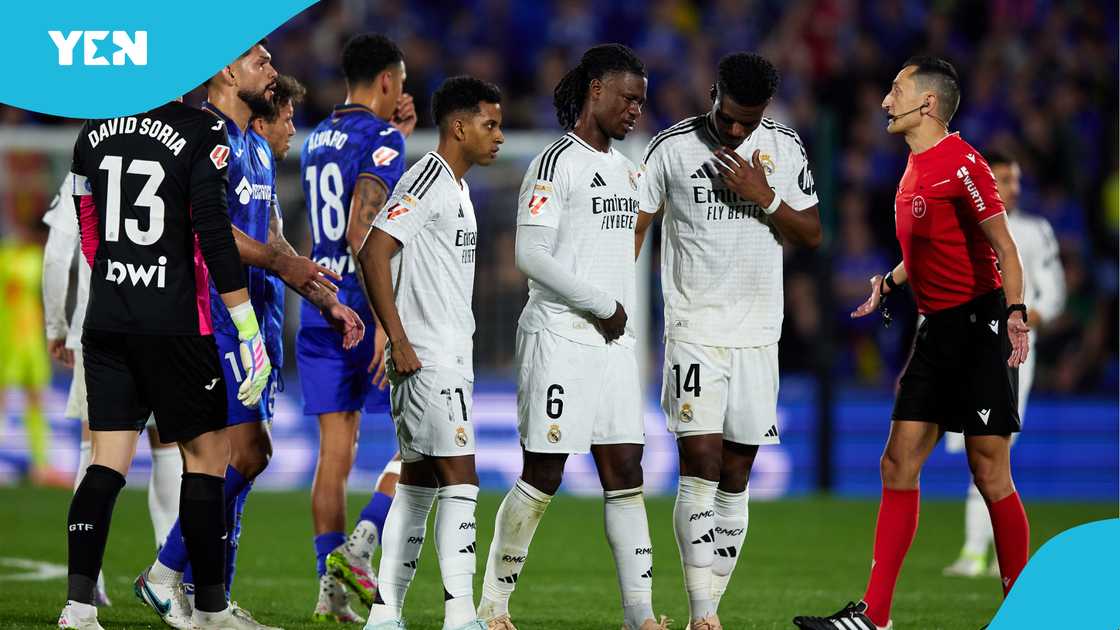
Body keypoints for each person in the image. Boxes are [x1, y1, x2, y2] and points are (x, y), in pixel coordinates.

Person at [793, 56, 1031, 630]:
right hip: (935, 327)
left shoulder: (964, 163)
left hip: (979, 326)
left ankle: (1027, 612)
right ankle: (874, 616)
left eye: (896, 90)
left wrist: (1016, 314)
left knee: (989, 471)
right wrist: (890, 282)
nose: (884, 101)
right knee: (897, 462)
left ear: (927, 102)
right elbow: (934, 248)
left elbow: (1004, 248)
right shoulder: (912, 165)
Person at [136, 42, 363, 630]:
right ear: (224, 71)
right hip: (209, 318)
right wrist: (282, 266)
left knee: (240, 471)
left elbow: (276, 240)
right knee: (243, 456)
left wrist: (324, 296)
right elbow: (204, 227)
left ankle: (214, 603)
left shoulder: (254, 150)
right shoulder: (200, 136)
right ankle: (165, 575)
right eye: (260, 62)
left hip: (254, 322)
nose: (272, 71)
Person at [57, 99, 271, 630]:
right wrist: (247, 326)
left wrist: (117, 279)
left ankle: (79, 608)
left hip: (108, 319)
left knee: (106, 462)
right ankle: (212, 611)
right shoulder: (201, 129)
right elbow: (214, 232)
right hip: (174, 322)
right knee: (207, 456)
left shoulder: (94, 127)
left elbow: (89, 229)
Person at [476, 44, 667, 630]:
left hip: (613, 345)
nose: (636, 109)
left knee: (625, 471)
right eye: (627, 98)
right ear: (595, 91)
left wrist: (619, 306)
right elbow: (529, 253)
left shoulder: (624, 168)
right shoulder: (557, 162)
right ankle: (493, 606)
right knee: (546, 471)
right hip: (559, 336)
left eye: (642, 100)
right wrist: (602, 302)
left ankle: (641, 615)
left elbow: (620, 242)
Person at [634, 52, 821, 630]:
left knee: (737, 474)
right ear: (712, 94)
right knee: (700, 463)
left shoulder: (784, 146)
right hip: (693, 329)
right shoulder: (670, 148)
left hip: (760, 333)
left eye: (749, 121)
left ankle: (708, 606)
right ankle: (703, 613)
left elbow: (812, 233)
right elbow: (636, 229)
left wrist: (763, 195)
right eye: (729, 117)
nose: (737, 131)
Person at [353, 75, 503, 630]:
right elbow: (373, 252)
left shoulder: (459, 189)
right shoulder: (429, 179)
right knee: (462, 480)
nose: (500, 136)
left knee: (418, 484)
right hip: (427, 357)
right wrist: (397, 338)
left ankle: (385, 614)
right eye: (489, 124)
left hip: (442, 356)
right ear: (459, 127)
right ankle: (460, 616)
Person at [296, 33, 416, 622]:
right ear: (389, 81)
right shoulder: (384, 137)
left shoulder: (318, 135)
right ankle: (367, 534)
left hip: (317, 302)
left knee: (333, 455)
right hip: (361, 308)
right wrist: (382, 322)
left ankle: (330, 585)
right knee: (418, 444)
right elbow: (361, 228)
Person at [42, 174, 184, 607]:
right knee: (168, 444)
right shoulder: (169, 151)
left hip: (96, 325)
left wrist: (56, 325)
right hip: (161, 321)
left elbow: (56, 257)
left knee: (97, 449)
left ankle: (89, 576)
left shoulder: (87, 165)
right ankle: (169, 565)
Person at [943, 150, 1065, 578]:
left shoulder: (1035, 232)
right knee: (980, 454)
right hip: (961, 348)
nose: (1014, 188)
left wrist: (1020, 317)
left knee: (994, 450)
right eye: (1004, 180)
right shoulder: (962, 227)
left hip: (1011, 351)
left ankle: (980, 552)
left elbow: (1053, 294)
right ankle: (988, 552)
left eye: (1015, 180)